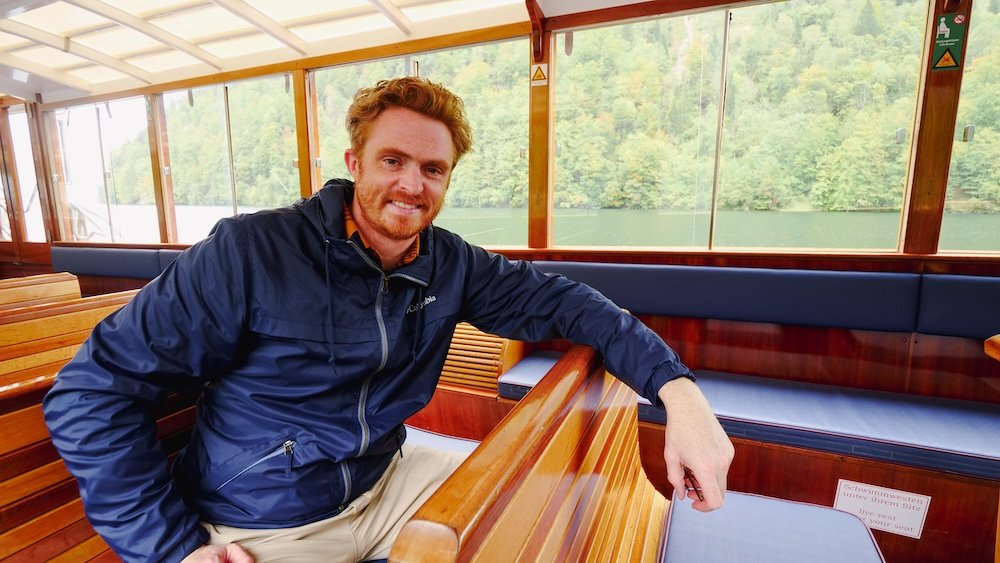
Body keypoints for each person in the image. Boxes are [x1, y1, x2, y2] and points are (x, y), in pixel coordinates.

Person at [43, 76, 733, 563]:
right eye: (393, 160)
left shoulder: (450, 264)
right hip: (268, 520)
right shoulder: (250, 253)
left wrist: (680, 394)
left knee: (531, 518)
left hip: (389, 478)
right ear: (354, 163)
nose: (411, 185)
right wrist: (172, 550)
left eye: (432, 169)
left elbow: (570, 304)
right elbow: (88, 394)